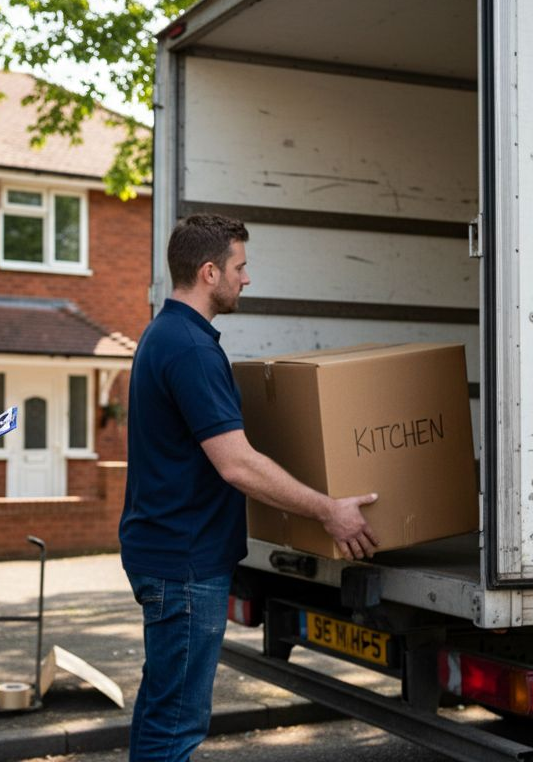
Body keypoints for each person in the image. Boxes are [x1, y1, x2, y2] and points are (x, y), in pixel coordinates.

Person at [119, 213, 378, 762]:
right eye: (240, 266)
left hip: (166, 554)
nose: (247, 278)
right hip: (184, 564)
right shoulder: (189, 348)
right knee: (177, 723)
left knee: (162, 709)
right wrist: (327, 509)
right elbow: (236, 464)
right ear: (210, 272)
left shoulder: (165, 334)